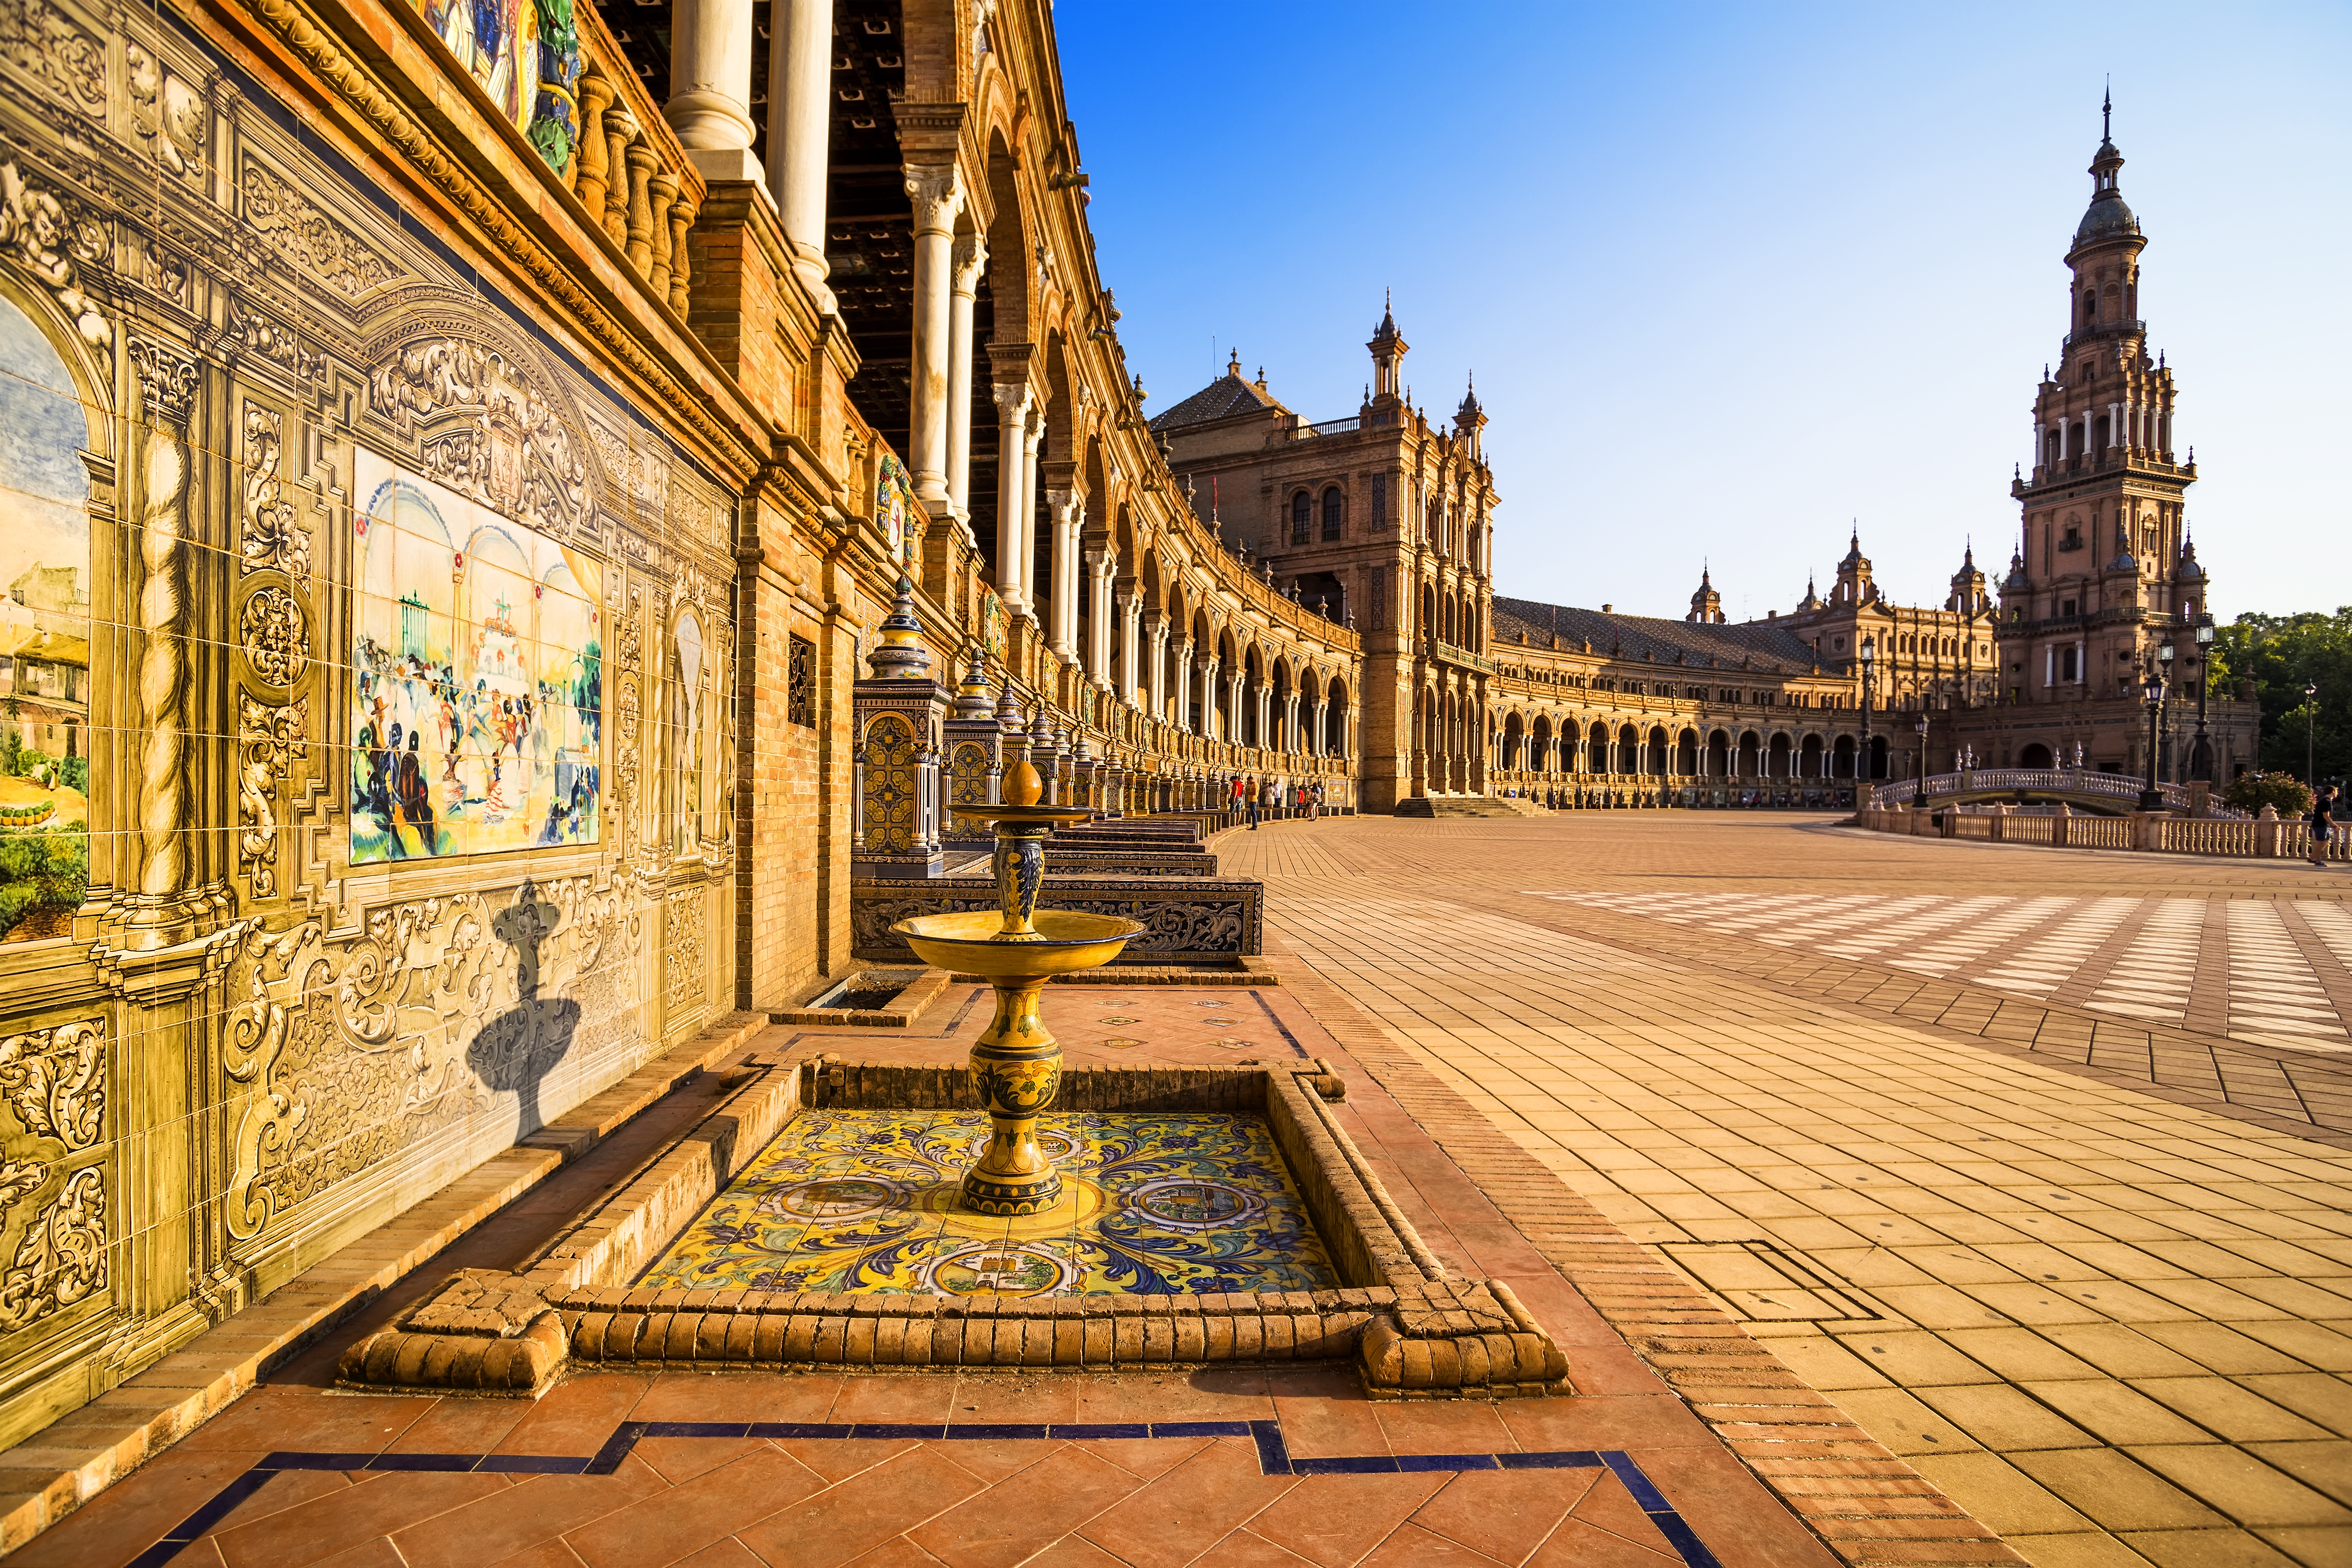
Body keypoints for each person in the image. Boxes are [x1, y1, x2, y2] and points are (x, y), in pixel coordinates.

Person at [2310, 785, 2335, 868]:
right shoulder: (2326, 802)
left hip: (2324, 825)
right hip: (2320, 825)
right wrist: (2334, 825)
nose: (2337, 794)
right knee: (2320, 842)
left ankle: (2313, 858)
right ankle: (2318, 861)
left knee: (2327, 841)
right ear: (2333, 792)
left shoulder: (2327, 801)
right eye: (2337, 792)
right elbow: (2326, 816)